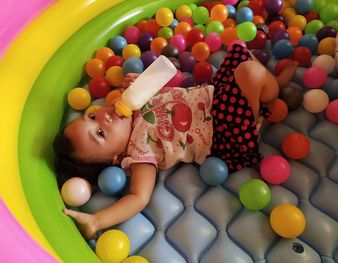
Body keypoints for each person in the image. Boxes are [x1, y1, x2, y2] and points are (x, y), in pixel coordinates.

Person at [53, 44, 297, 239]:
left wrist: (142, 82)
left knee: (239, 51)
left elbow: (173, 90)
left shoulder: (135, 100)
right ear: (116, 158)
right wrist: (97, 220)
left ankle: (269, 91)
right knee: (249, 72)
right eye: (101, 134)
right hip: (225, 129)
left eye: (92, 116)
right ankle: (257, 109)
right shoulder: (139, 151)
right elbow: (139, 197)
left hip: (216, 94)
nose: (103, 119)